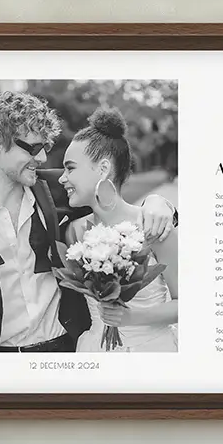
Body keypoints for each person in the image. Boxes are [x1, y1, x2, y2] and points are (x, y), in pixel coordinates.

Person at [0, 91, 176, 352]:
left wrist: (160, 202)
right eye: (34, 148)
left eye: (45, 148)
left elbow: (115, 205)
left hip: (65, 351)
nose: (44, 158)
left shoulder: (58, 189)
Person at [60, 108, 178, 353]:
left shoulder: (153, 226)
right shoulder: (73, 231)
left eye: (70, 168)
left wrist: (130, 318)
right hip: (95, 349)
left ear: (103, 169)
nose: (62, 178)